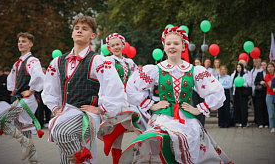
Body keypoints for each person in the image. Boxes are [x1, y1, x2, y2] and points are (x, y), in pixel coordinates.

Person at [120, 26, 232, 164]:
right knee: (161, 149)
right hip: (163, 118)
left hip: (187, 121)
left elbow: (217, 91)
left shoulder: (194, 70)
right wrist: (151, 105)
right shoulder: (156, 70)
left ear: (183, 46)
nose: (172, 46)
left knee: (190, 152)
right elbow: (132, 87)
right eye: (168, 44)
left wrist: (199, 109)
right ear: (164, 47)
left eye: (176, 43)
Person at [41, 16, 124, 164]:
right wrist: (55, 108)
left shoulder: (98, 60)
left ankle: (81, 158)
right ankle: (82, 159)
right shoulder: (58, 61)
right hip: (65, 113)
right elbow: (50, 89)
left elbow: (114, 86)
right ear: (72, 33)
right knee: (65, 159)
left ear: (92, 36)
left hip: (86, 116)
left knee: (61, 133)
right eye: (77, 28)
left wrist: (101, 109)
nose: (79, 31)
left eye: (84, 29)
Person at [0, 32, 45, 163]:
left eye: (24, 41)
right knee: (23, 128)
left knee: (0, 121)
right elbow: (11, 82)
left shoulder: (32, 61)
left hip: (28, 100)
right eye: (19, 41)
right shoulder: (17, 63)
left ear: (31, 44)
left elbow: (39, 76)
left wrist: (31, 90)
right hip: (21, 99)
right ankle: (33, 159)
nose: (20, 43)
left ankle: (25, 143)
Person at [97, 33, 143, 164]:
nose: (116, 47)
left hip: (127, 96)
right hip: (114, 96)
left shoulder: (129, 62)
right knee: (123, 129)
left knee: (131, 119)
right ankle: (116, 161)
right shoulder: (108, 61)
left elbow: (135, 79)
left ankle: (111, 136)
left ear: (123, 45)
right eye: (112, 45)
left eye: (118, 44)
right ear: (109, 48)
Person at [231, 63, 251, 128]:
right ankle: (238, 121)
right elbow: (232, 83)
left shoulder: (245, 75)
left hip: (243, 93)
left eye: (240, 67)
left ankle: (244, 122)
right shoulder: (234, 75)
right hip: (236, 92)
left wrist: (241, 84)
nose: (238, 68)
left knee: (243, 108)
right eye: (237, 67)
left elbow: (248, 83)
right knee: (237, 107)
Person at [254, 60, 269, 128]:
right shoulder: (259, 73)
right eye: (262, 65)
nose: (263, 66)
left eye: (264, 65)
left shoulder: (269, 74)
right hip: (259, 93)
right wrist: (260, 82)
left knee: (266, 107)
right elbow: (255, 82)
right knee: (259, 107)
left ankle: (266, 122)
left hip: (267, 92)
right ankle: (260, 122)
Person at [192, 58, 206, 126]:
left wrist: (200, 90)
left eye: (198, 62)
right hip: (195, 91)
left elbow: (204, 81)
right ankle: (197, 123)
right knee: (196, 107)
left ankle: (202, 123)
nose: (197, 64)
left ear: (201, 63)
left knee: (202, 107)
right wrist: (196, 90)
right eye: (196, 62)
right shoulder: (192, 71)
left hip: (202, 91)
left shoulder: (203, 71)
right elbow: (192, 82)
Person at [250, 58, 262, 125]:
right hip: (254, 89)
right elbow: (251, 80)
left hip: (260, 88)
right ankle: (256, 120)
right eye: (255, 62)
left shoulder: (261, 70)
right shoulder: (253, 70)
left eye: (257, 62)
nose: (256, 63)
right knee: (255, 105)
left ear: (260, 62)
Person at [264, 62, 275, 133]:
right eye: (268, 67)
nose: (270, 68)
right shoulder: (267, 76)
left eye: (271, 67)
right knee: (271, 112)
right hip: (270, 95)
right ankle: (272, 126)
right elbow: (271, 86)